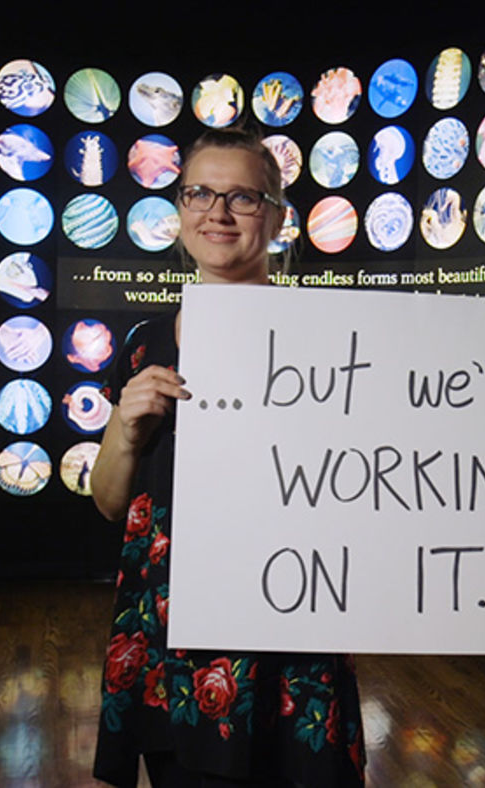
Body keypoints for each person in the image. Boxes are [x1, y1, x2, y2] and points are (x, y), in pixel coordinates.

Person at [90, 126, 365, 787]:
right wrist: (126, 432)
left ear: (276, 215)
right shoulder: (143, 343)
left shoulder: (336, 340)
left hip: (291, 636)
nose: (217, 213)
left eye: (241, 197)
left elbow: (435, 454)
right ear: (181, 209)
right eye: (199, 193)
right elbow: (109, 504)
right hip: (172, 642)